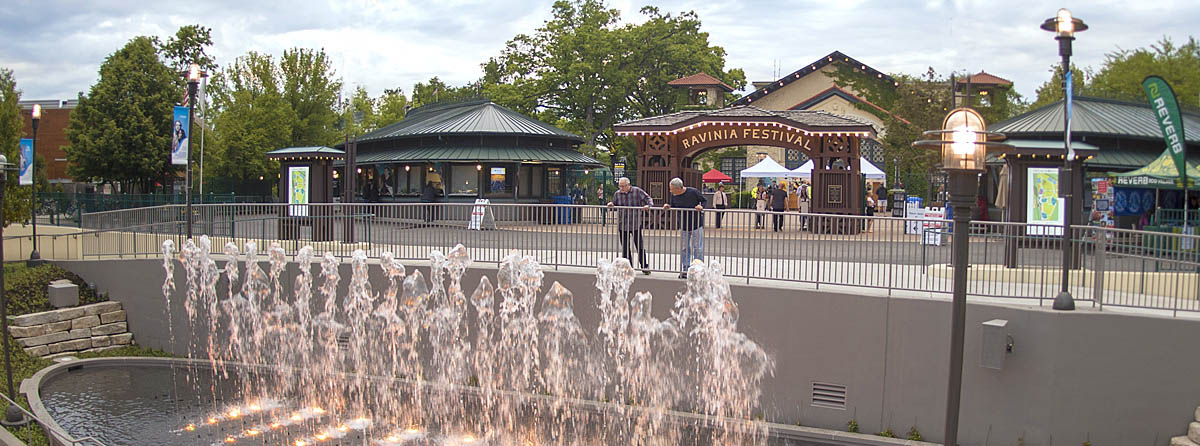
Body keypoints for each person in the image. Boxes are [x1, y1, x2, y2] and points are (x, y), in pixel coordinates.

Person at [607, 177, 652, 275]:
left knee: (639, 246)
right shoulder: (617, 194)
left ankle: (644, 266)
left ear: (628, 185)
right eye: (620, 186)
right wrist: (611, 205)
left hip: (635, 223)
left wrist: (648, 205)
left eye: (623, 186)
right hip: (623, 224)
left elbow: (648, 198)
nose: (621, 188)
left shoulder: (637, 191)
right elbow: (615, 204)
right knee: (625, 248)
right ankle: (628, 267)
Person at [664, 178, 706, 279]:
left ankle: (698, 269)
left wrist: (701, 207)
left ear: (678, 188)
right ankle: (685, 269)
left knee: (698, 248)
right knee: (684, 248)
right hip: (683, 225)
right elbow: (673, 205)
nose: (671, 191)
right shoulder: (674, 196)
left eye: (672, 189)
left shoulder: (693, 192)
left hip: (696, 224)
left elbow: (704, 200)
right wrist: (668, 206)